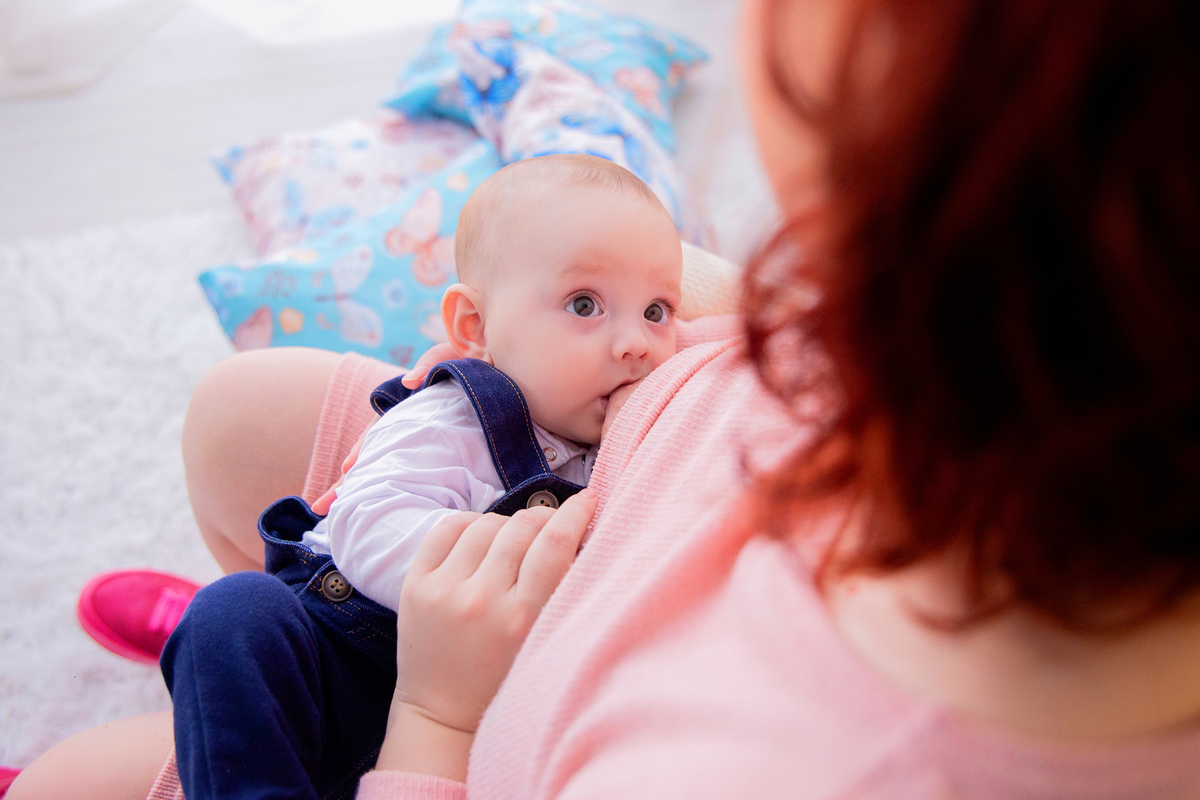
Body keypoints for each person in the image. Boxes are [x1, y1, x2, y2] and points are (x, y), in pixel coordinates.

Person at [10, 0, 1200, 797]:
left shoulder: (777, 759)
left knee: (89, 765)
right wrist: (617, 284)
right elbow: (707, 290)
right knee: (239, 420)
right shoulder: (1006, 318)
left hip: (461, 693)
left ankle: (255, 682)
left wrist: (430, 717)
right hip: (554, 519)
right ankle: (274, 640)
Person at [158, 153, 683, 800]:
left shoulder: (635, 438)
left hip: (474, 733)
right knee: (233, 614)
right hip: (342, 664)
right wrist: (499, 576)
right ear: (476, 327)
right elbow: (367, 522)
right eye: (584, 304)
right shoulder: (452, 415)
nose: (636, 342)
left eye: (658, 311)